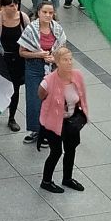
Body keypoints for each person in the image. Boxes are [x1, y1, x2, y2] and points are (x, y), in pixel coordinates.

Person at [38, 46, 87, 193]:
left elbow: (80, 96)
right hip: (53, 122)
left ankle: (67, 178)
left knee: (71, 149)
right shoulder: (48, 81)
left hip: (70, 121)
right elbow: (41, 96)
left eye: (70, 59)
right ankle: (46, 181)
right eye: (65, 60)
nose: (69, 62)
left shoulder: (76, 76)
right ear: (58, 62)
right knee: (56, 151)